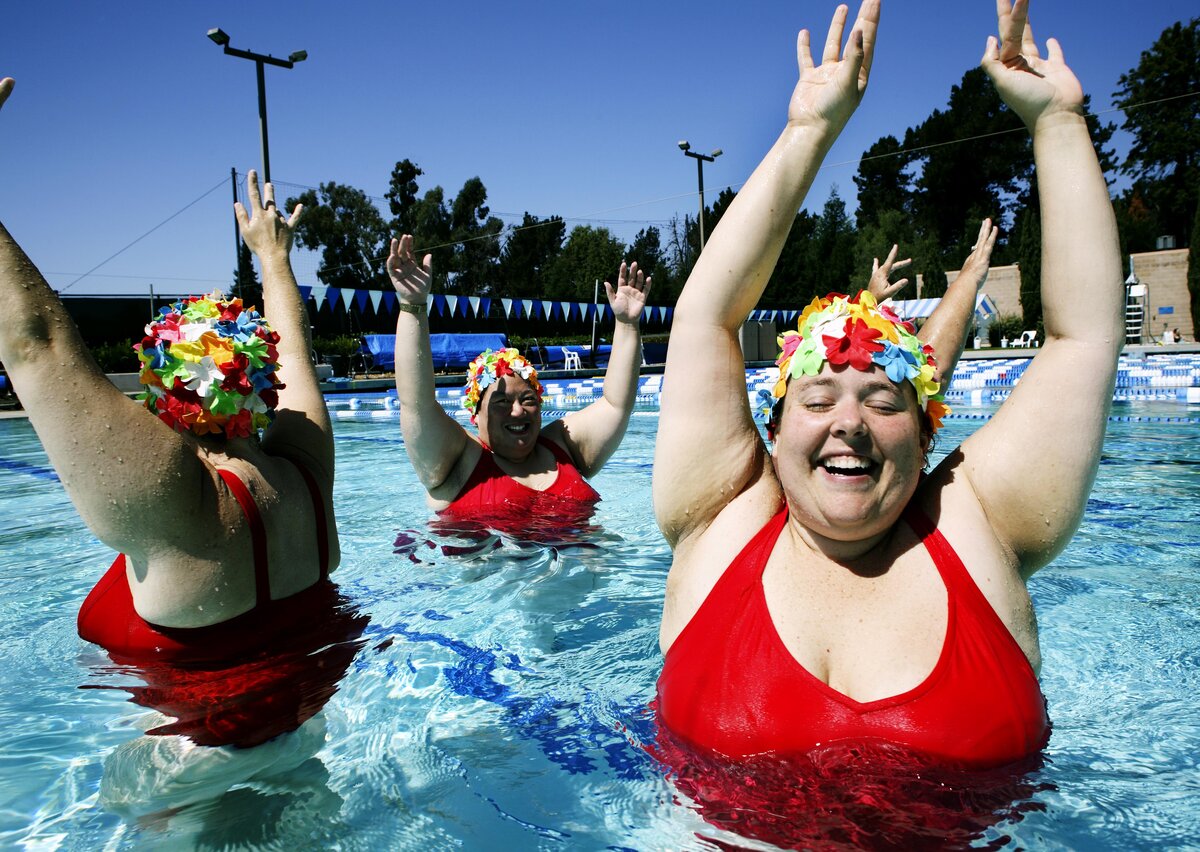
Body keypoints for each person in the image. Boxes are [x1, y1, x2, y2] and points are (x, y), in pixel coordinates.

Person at [654, 0, 1118, 796]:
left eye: (882, 400)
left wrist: (1059, 127)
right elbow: (705, 315)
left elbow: (1083, 339)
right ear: (772, 430)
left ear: (927, 430)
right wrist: (808, 134)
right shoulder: (719, 520)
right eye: (819, 396)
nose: (848, 423)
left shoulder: (983, 529)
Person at [0, 77, 364, 747]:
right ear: (261, 380)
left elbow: (39, 348)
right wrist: (273, 259)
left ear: (161, 395)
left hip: (194, 774)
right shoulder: (306, 469)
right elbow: (300, 363)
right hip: (310, 730)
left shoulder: (175, 496)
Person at [387, 233, 650, 532]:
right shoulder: (457, 461)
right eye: (501, 402)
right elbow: (417, 404)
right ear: (477, 414)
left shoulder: (563, 446)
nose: (518, 411)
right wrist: (412, 307)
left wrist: (627, 325)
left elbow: (616, 404)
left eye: (528, 400)